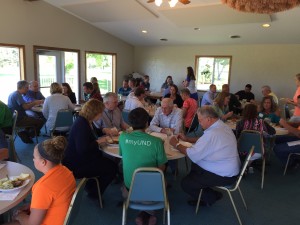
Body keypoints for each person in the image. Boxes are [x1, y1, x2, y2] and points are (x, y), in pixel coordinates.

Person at [169, 106, 241, 206]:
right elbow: (204, 139)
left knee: (185, 184)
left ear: (208, 119)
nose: (199, 123)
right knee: (195, 165)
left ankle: (212, 196)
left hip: (224, 175)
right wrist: (188, 139)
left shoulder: (213, 133)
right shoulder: (221, 126)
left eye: (200, 120)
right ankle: (200, 187)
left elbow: (192, 154)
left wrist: (176, 144)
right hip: (229, 168)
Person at [5, 136, 76, 225]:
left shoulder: (43, 187)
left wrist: (19, 216)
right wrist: (31, 207)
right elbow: (53, 199)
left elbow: (32, 224)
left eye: (34, 157)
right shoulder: (66, 172)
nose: (33, 159)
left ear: (43, 162)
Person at [119, 107, 167, 225]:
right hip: (152, 190)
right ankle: (150, 213)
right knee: (161, 179)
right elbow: (162, 167)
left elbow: (122, 156)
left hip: (130, 190)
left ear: (130, 122)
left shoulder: (122, 137)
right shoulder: (156, 142)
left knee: (128, 180)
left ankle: (143, 213)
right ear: (147, 123)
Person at [62, 99, 117, 197]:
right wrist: (98, 141)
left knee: (108, 162)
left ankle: (91, 185)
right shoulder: (82, 125)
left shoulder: (85, 120)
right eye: (100, 113)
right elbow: (82, 150)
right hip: (77, 165)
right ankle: (94, 192)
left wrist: (104, 130)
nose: (101, 115)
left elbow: (93, 132)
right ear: (94, 113)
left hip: (78, 159)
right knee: (112, 168)